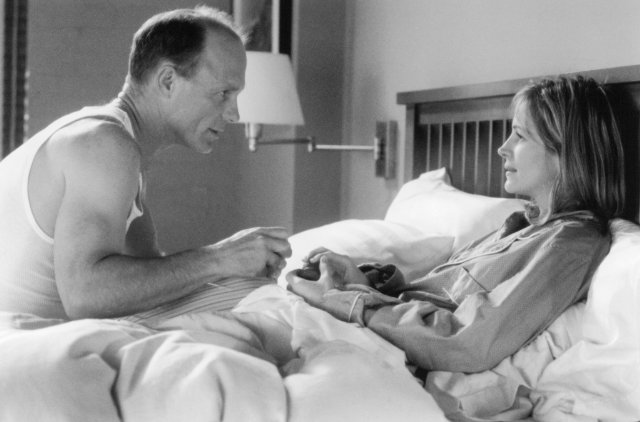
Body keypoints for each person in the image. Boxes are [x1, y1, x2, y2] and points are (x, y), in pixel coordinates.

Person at [287, 75, 626, 373]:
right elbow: (440, 298)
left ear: (567, 153)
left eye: (520, 136)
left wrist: (345, 301)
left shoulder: (570, 246)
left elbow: (466, 341)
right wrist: (363, 282)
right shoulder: (524, 227)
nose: (502, 148)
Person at [0, 6, 291, 321]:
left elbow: (149, 280)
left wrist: (238, 269)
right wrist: (221, 258)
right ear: (168, 81)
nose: (234, 114)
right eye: (223, 93)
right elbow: (85, 296)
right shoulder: (104, 145)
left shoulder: (120, 148)